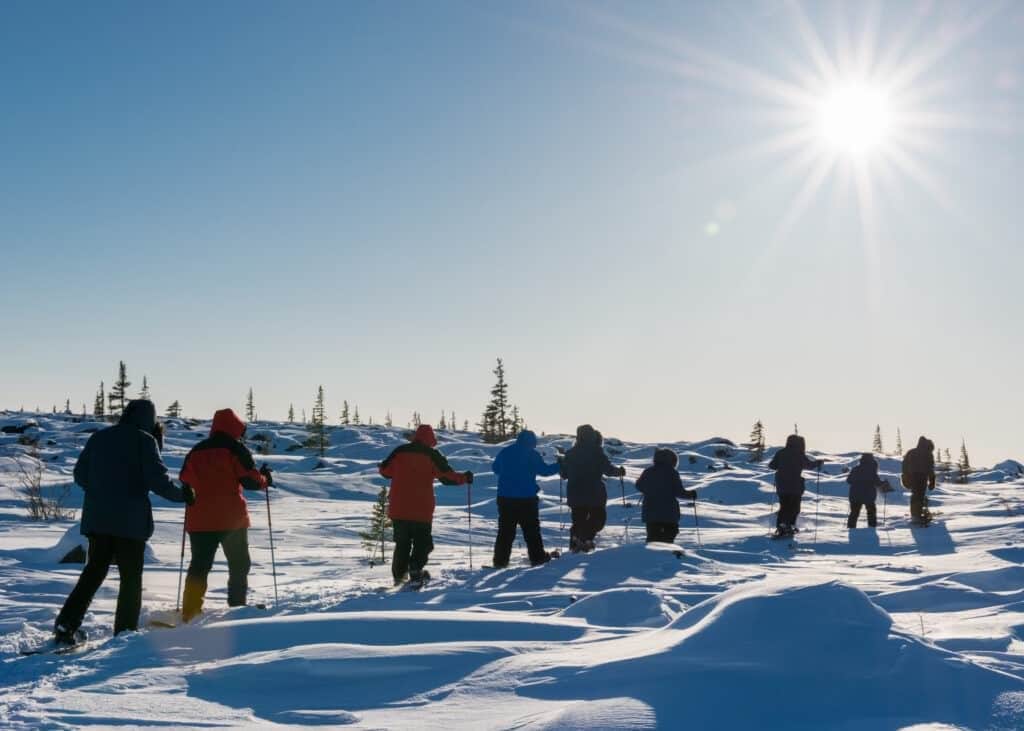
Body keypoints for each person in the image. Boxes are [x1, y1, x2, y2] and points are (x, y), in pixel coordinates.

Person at [55, 400, 193, 644]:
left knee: (93, 572)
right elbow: (158, 482)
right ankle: (125, 633)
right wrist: (183, 495)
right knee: (130, 579)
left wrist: (102, 492)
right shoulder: (144, 440)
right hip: (130, 524)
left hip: (98, 520)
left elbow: (80, 474)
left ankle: (66, 624)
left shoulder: (99, 438)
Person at [179, 408, 271, 622]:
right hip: (231, 521)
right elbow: (251, 481)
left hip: (200, 520)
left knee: (199, 565)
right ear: (235, 427)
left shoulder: (196, 450)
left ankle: (190, 611)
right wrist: (266, 479)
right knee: (239, 564)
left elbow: (185, 479)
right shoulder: (236, 449)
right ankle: (237, 607)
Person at [379, 424, 472, 585]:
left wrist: (387, 467)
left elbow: (385, 472)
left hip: (398, 509)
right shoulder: (432, 454)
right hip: (420, 510)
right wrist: (465, 478)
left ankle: (399, 577)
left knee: (402, 544)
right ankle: (415, 569)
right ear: (431, 439)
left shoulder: (400, 451)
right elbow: (447, 477)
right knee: (423, 543)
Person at [491, 429, 561, 568]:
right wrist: (560, 465)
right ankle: (537, 557)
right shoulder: (532, 454)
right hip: (526, 498)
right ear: (532, 442)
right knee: (531, 530)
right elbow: (545, 471)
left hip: (505, 498)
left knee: (505, 531)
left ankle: (500, 561)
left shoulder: (506, 452)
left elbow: (495, 468)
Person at [560, 424, 625, 553]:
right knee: (598, 520)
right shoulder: (597, 453)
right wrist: (620, 472)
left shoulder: (571, 454)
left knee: (578, 521)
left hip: (575, 494)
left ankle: (575, 546)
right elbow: (608, 470)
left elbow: (564, 474)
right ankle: (584, 540)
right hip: (594, 494)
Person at [636, 448, 696, 544]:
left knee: (652, 539)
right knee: (668, 539)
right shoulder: (672, 473)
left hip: (651, 514)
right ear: (672, 460)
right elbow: (679, 492)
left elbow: (639, 486)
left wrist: (649, 490)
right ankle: (665, 556)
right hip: (669, 514)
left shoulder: (648, 471)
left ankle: (650, 557)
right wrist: (690, 495)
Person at [768, 434, 823, 537]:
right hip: (795, 486)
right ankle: (790, 526)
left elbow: (772, 465)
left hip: (782, 486)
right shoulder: (799, 454)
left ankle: (781, 526)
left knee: (784, 506)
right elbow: (808, 465)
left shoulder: (781, 453)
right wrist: (818, 463)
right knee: (794, 507)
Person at [846, 453, 887, 528]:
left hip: (855, 495)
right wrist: (884, 484)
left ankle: (850, 528)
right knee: (871, 512)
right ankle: (872, 527)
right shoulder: (872, 470)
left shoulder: (855, 469)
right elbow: (877, 483)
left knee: (854, 513)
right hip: (868, 496)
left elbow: (849, 480)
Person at [902, 436, 936, 524]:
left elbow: (904, 466)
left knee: (915, 495)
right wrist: (932, 480)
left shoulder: (911, 452)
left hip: (911, 477)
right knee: (919, 495)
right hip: (922, 477)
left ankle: (915, 514)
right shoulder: (928, 454)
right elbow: (930, 468)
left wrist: (905, 477)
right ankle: (917, 515)